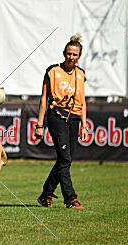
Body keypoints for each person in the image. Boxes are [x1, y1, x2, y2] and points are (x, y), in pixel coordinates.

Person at [35, 34, 88, 209]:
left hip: (74, 119)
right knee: (65, 158)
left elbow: (83, 101)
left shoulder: (81, 74)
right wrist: (40, 125)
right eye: (68, 53)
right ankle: (71, 199)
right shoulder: (53, 71)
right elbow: (44, 98)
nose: (71, 57)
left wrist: (84, 125)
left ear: (79, 56)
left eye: (74, 54)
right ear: (63, 53)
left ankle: (46, 194)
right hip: (56, 116)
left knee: (65, 160)